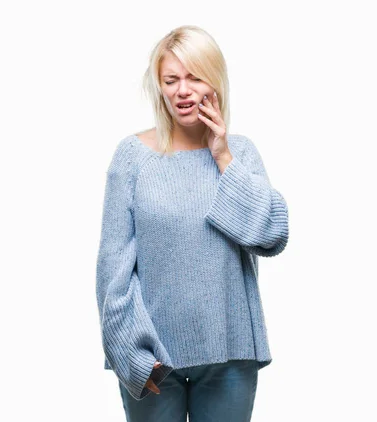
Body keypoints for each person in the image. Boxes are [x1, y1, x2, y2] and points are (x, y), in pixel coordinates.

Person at [95, 25, 289, 422]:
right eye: (171, 79)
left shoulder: (241, 154)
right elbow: (112, 271)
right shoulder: (133, 158)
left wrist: (222, 158)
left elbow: (271, 235)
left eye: (194, 77)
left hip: (231, 351)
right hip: (154, 357)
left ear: (214, 82)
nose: (182, 90)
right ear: (159, 86)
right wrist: (130, 351)